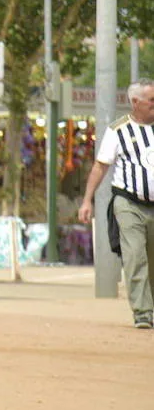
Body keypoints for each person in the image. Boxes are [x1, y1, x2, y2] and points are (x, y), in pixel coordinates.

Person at [79, 79, 154, 329]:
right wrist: (87, 200)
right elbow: (101, 166)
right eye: (151, 100)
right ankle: (143, 312)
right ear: (135, 102)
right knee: (135, 256)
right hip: (128, 202)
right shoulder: (118, 130)